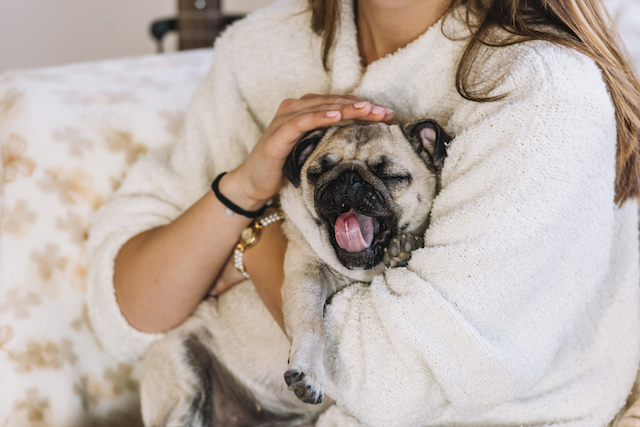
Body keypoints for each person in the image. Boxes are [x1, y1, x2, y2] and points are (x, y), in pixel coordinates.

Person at [87, 0, 640, 425]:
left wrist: (251, 239)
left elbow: (398, 378)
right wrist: (243, 184)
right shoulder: (260, 51)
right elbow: (131, 309)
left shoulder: (533, 84)